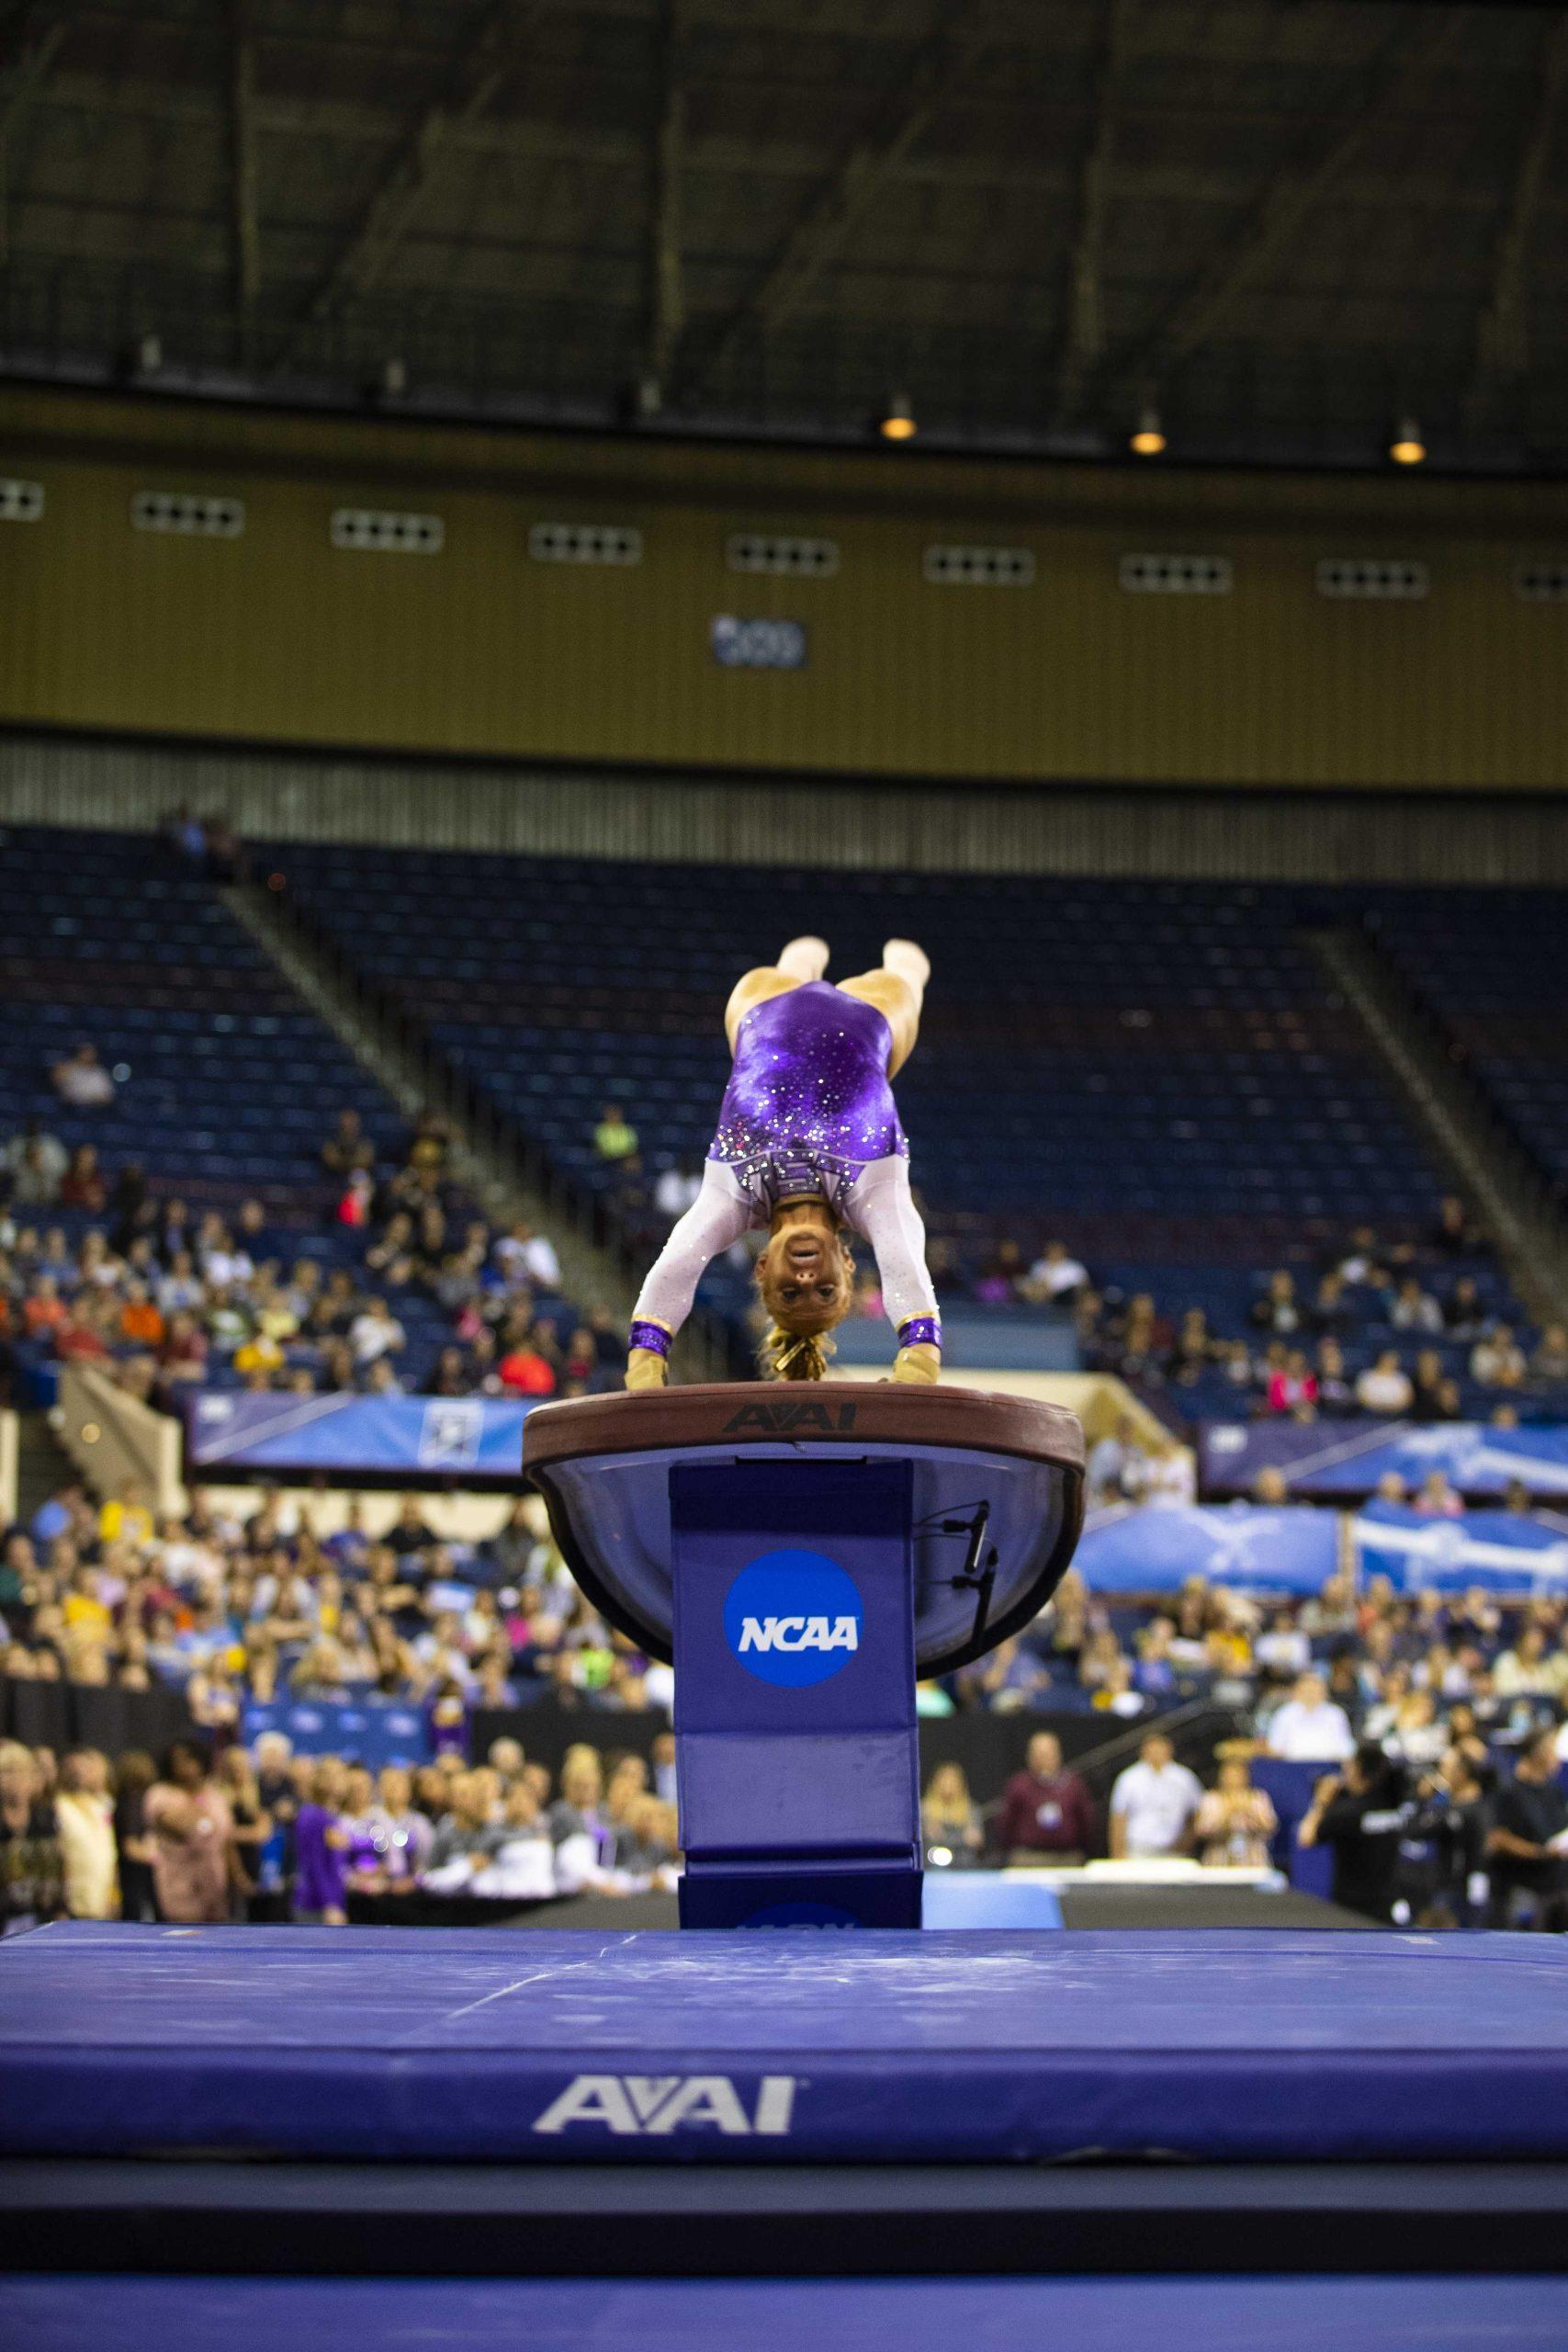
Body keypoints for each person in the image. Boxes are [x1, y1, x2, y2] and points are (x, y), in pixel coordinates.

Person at [626, 934, 940, 1386]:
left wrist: (646, 1368)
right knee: (904, 973)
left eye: (790, 1292)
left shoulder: (733, 1199)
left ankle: (806, 956)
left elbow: (673, 1269)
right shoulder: (873, 1196)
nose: (807, 1275)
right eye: (825, 1289)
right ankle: (904, 957)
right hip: (872, 1021)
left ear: (761, 1268)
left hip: (762, 1009)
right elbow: (905, 1265)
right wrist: (919, 1362)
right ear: (848, 1265)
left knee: (796, 960)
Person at [1297, 1741, 1408, 1922]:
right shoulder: (1392, 1804)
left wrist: (1321, 1801)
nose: (1343, 1769)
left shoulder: (1347, 1813)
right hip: (1386, 1908)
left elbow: (1306, 1837)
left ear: (1357, 1769)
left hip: (1352, 1912)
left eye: (1348, 1765)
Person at [143, 1738, 233, 1923]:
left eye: (190, 1759)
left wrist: (237, 1878)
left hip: (215, 1880)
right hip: (178, 1881)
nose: (186, 1766)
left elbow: (226, 1837)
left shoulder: (215, 1796)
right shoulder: (161, 1794)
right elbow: (181, 1828)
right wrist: (198, 1809)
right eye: (178, 1761)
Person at [1488, 1725, 1568, 1929]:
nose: (1557, 1757)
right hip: (1523, 1889)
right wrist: (1540, 1852)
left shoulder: (1553, 1791)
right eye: (1551, 1750)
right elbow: (1498, 1839)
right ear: (1537, 1753)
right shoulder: (1509, 1789)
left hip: (1557, 1885)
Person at [994, 1731, 1096, 1863]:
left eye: (1048, 1754)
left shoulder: (1073, 1785)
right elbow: (1005, 1824)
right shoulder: (1019, 1785)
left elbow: (1086, 1822)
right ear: (1029, 1756)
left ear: (1058, 1755)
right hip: (1028, 1858)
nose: (1044, 1759)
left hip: (1067, 1857)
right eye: (1039, 1754)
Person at [0, 1739, 64, 1932]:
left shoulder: (45, 1818)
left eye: (21, 1772)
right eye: (7, 1772)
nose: (14, 1779)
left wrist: (61, 1910)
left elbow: (58, 1867)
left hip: (41, 1916)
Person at [1108, 1731, 1202, 1860]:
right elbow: (1118, 1817)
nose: (1156, 1753)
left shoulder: (1184, 1778)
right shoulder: (1129, 1778)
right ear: (1143, 1752)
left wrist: (1187, 1842)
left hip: (1173, 1851)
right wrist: (1118, 1853)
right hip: (1139, 1850)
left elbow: (1197, 1813)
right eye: (1152, 1749)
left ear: (1169, 1750)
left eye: (1160, 1749)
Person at [54, 1747, 119, 1919]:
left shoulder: (100, 1805)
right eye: (73, 1768)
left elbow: (109, 1851)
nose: (79, 1772)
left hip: (102, 1897)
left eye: (85, 1768)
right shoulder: (58, 1806)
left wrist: (114, 1893)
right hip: (73, 1898)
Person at [1193, 1757, 1278, 1869]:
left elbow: (1270, 1827)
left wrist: (1248, 1812)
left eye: (1237, 1775)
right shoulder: (1211, 1799)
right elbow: (1202, 1830)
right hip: (1218, 1860)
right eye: (1228, 1775)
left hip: (1252, 1860)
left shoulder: (1258, 1797)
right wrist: (1228, 1813)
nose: (1233, 1780)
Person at [1266, 1669, 1357, 1763]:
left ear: (1324, 1693)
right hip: (1292, 1768)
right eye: (1307, 1691)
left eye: (1316, 1690)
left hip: (1329, 1767)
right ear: (1297, 1692)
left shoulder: (1335, 1714)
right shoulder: (1285, 1714)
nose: (1311, 1695)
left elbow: (1346, 1747)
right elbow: (1274, 1748)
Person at [113, 1749, 159, 1922]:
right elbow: (131, 1847)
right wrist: (159, 1859)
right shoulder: (132, 1802)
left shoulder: (127, 1800)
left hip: (133, 1876)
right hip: (135, 1878)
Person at [920, 1761, 984, 1867]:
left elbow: (977, 1839)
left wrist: (943, 1837)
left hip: (965, 1866)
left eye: (953, 1781)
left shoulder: (971, 1810)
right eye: (944, 1780)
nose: (948, 1784)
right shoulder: (924, 1810)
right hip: (934, 1867)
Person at [51, 1041, 115, 1107]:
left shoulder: (100, 1072)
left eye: (91, 1052)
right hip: (70, 1109)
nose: (88, 1055)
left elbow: (107, 1098)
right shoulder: (67, 1069)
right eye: (85, 1052)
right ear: (79, 1053)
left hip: (93, 1110)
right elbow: (63, 1092)